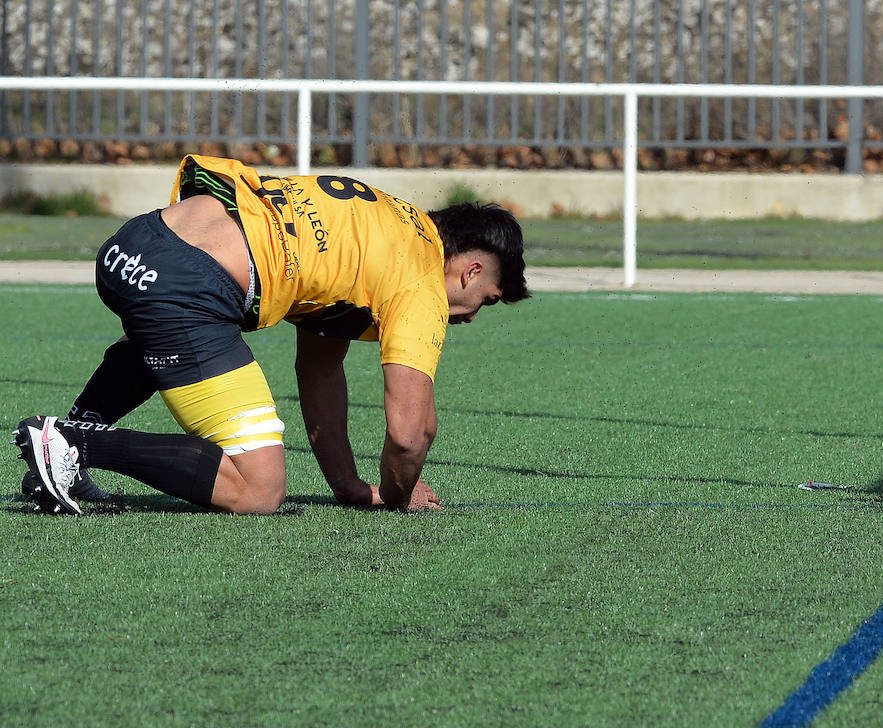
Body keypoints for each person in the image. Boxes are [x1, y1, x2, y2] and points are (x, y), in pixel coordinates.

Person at [14, 154, 528, 515]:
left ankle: (67, 444)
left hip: (134, 243)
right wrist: (399, 496)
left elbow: (321, 369)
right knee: (259, 490)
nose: (474, 315)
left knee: (164, 336)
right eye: (487, 298)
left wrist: (348, 487)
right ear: (472, 271)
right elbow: (409, 434)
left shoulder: (388, 225)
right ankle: (70, 443)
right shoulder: (419, 281)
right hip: (185, 283)